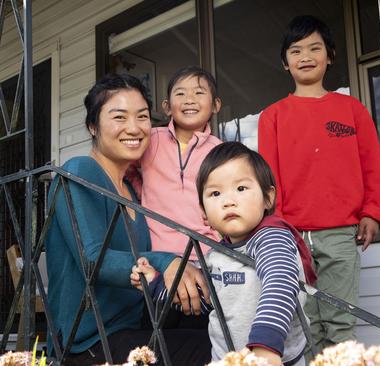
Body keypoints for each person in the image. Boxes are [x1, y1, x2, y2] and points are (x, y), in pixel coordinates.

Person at [45, 73, 211, 365]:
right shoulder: (79, 171)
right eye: (119, 117)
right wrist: (165, 260)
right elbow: (94, 260)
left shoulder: (133, 191)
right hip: (88, 343)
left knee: (219, 327)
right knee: (211, 350)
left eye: (143, 116)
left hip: (136, 329)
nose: (134, 128)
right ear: (93, 126)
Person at [257, 15, 380, 355]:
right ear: (284, 62)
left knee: (340, 322)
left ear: (330, 55)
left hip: (342, 232)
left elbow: (372, 166)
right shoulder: (273, 115)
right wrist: (279, 226)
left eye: (315, 48)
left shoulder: (352, 109)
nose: (305, 56)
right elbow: (267, 179)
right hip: (292, 234)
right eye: (296, 50)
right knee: (305, 324)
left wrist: (373, 212)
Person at [131, 142, 309, 366]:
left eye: (241, 189)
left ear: (268, 197)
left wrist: (266, 345)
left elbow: (280, 282)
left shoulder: (272, 238)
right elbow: (204, 299)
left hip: (274, 358)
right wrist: (155, 284)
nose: (228, 201)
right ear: (203, 213)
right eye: (215, 193)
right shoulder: (216, 255)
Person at [138, 66, 223, 264]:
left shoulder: (220, 152)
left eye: (199, 93)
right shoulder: (151, 139)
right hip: (157, 255)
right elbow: (127, 170)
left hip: (207, 253)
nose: (189, 99)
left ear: (215, 105)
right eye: (181, 93)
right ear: (167, 107)